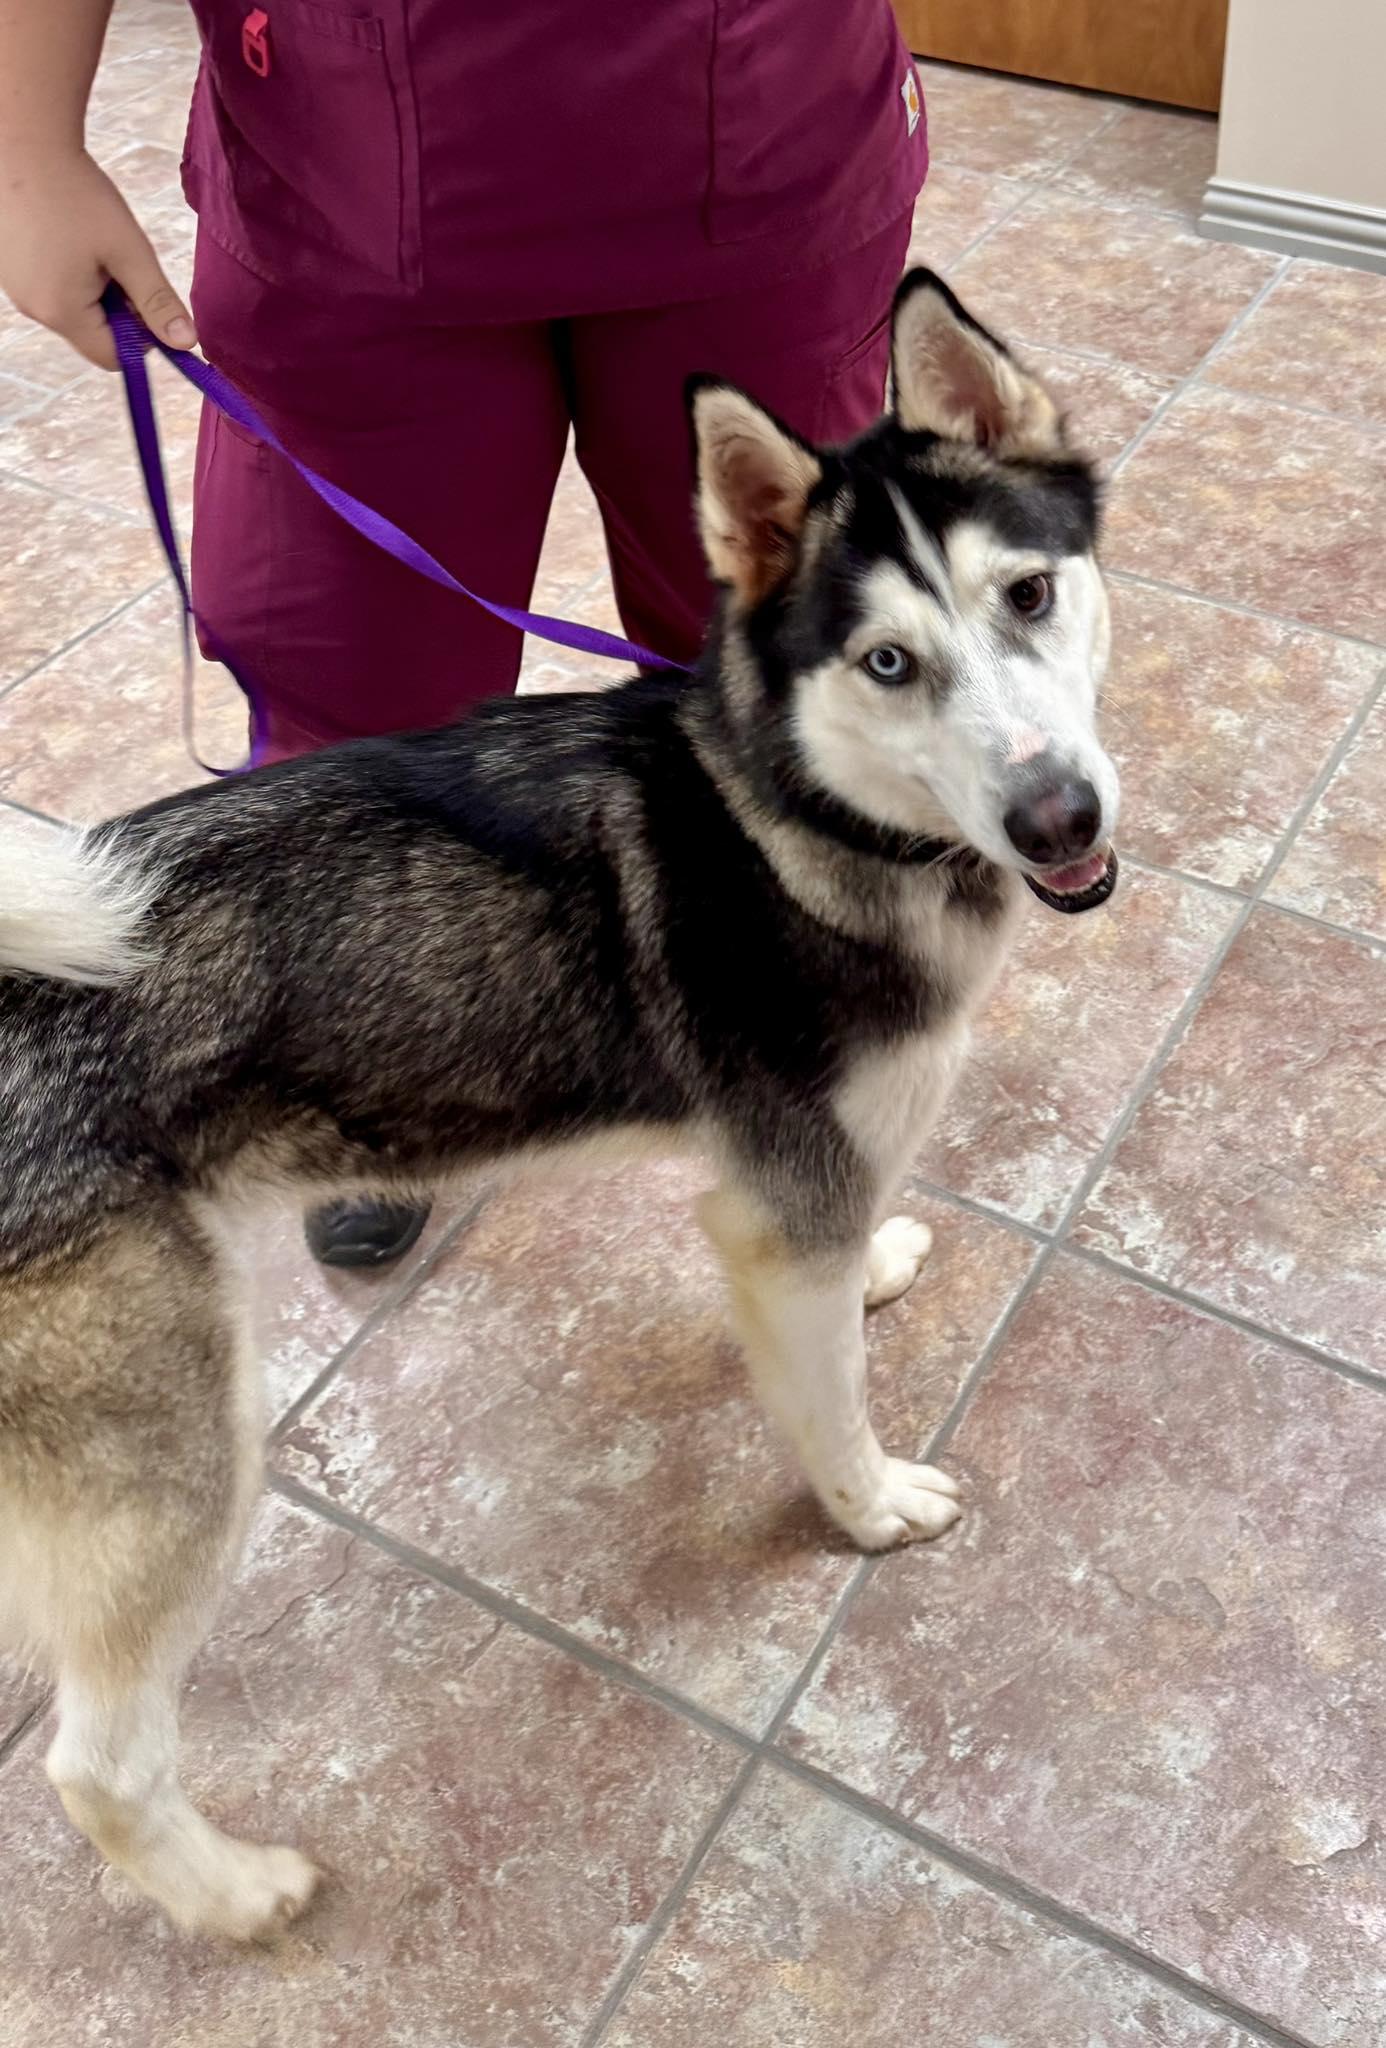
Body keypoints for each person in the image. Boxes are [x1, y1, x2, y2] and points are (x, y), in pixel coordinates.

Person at [0, 0, 928, 1266]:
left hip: (759, 131)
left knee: (781, 676)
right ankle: (380, 1063)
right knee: (356, 678)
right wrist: (27, 140)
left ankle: (801, 1073)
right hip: (339, 157)